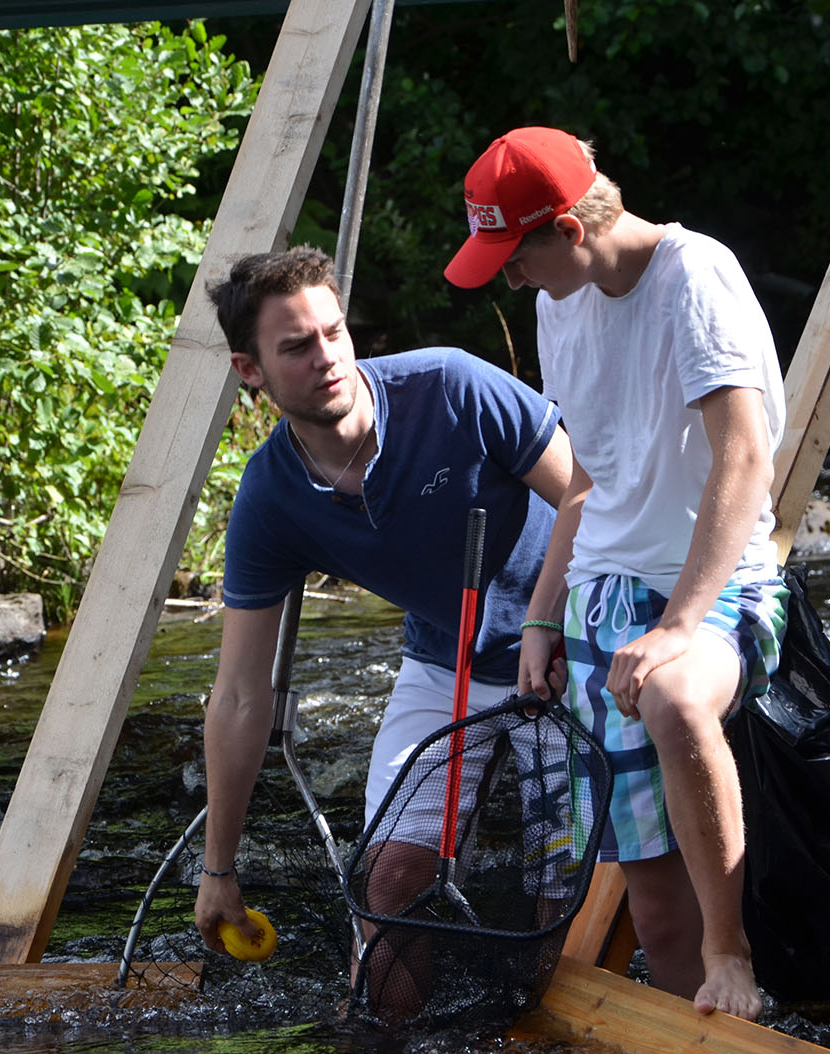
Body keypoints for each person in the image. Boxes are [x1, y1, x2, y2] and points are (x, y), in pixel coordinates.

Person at [445, 126, 788, 1022]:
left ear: (568, 226)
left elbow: (746, 459)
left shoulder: (694, 278)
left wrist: (678, 623)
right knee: (656, 913)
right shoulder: (558, 300)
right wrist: (543, 616)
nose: (507, 279)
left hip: (715, 588)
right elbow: (589, 482)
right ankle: (700, 1015)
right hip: (601, 599)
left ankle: (734, 957)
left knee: (675, 700)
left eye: (513, 257)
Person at [192, 245, 572, 1017]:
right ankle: (387, 1033)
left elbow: (588, 495)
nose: (327, 358)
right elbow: (237, 695)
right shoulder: (270, 499)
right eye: (296, 347)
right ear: (250, 371)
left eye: (334, 332)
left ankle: (549, 1015)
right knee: (388, 881)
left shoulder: (451, 386)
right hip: (443, 661)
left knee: (560, 888)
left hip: (567, 641)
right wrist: (218, 868)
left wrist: (547, 619)